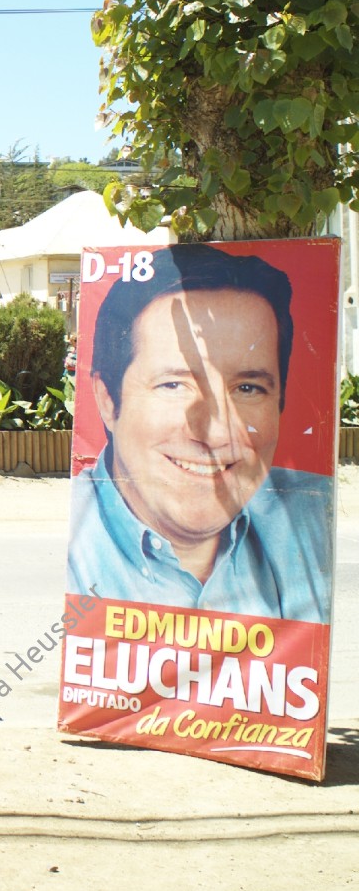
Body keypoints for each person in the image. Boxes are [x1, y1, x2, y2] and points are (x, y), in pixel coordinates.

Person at [67, 244, 332, 623]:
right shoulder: (81, 542)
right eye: (174, 385)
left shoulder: (308, 515)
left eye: (248, 389)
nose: (216, 432)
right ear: (108, 399)